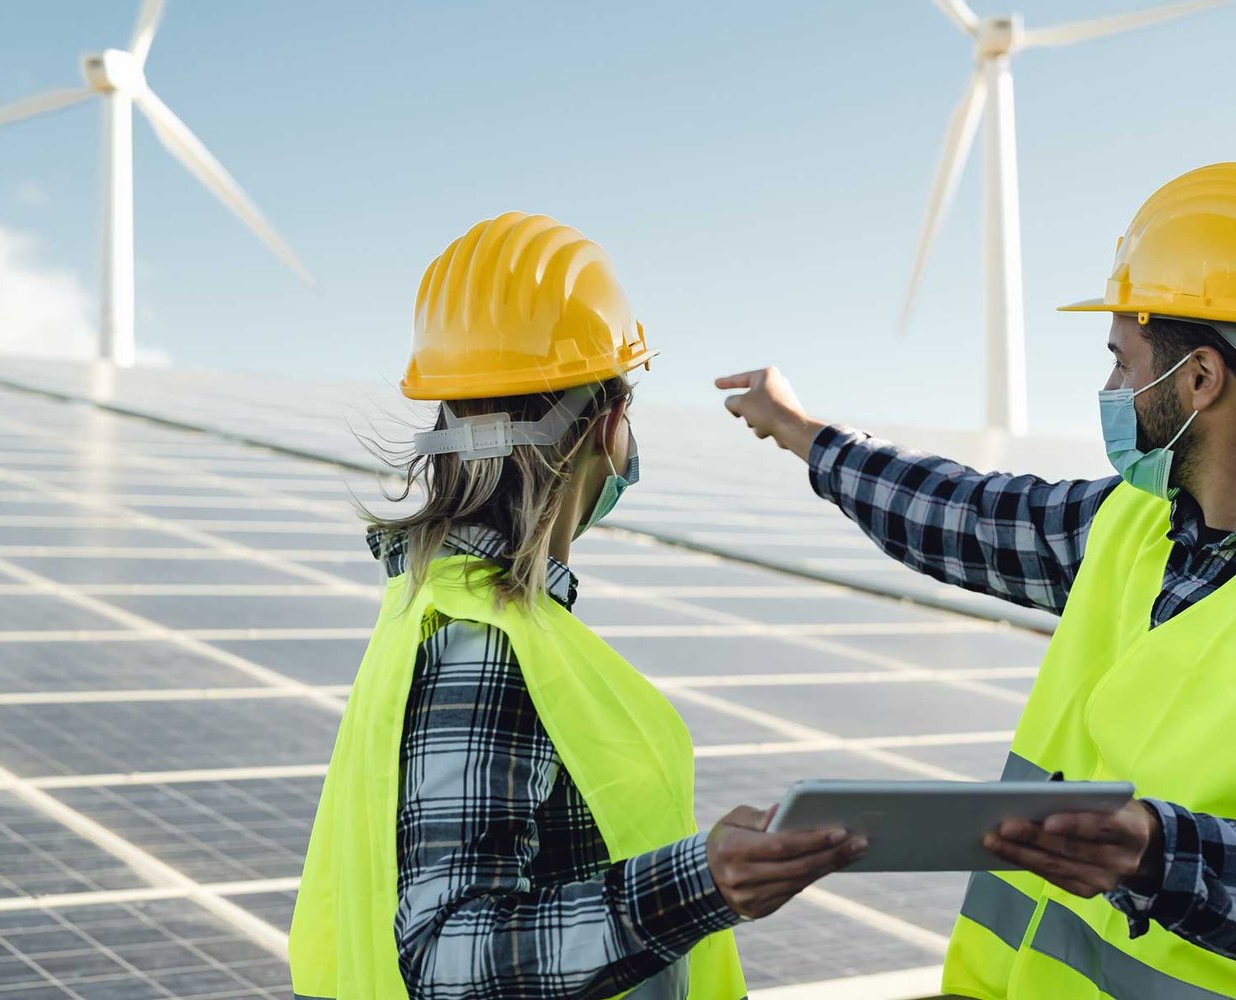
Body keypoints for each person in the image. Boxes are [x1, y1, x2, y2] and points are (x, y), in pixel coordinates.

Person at [716, 163, 1236, 997]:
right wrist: (804, 433)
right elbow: (963, 513)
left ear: (1200, 380)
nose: (1111, 391)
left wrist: (1154, 852)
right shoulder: (1136, 528)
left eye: (1122, 364)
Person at [289, 212, 865, 1000]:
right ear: (607, 424)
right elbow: (444, 960)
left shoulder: (446, 610)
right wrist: (702, 882)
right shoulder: (479, 644)